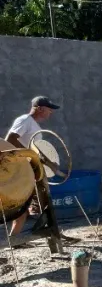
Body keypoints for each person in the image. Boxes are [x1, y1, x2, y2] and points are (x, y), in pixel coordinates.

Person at [4, 96, 60, 236]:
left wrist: (49, 163)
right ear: (40, 108)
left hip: (27, 169)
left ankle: (14, 239)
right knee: (24, 205)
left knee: (23, 208)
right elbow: (10, 138)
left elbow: (34, 151)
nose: (50, 113)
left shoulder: (34, 125)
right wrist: (31, 156)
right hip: (18, 169)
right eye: (48, 109)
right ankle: (43, 226)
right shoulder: (25, 120)